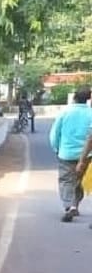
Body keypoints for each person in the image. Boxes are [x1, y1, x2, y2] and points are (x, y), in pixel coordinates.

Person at [50, 86, 92, 222]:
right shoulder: (90, 113)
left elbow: (55, 134)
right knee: (79, 181)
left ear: (74, 97)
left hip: (66, 153)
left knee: (66, 180)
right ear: (88, 98)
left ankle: (69, 206)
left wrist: (56, 148)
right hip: (87, 155)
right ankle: (75, 205)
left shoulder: (65, 112)